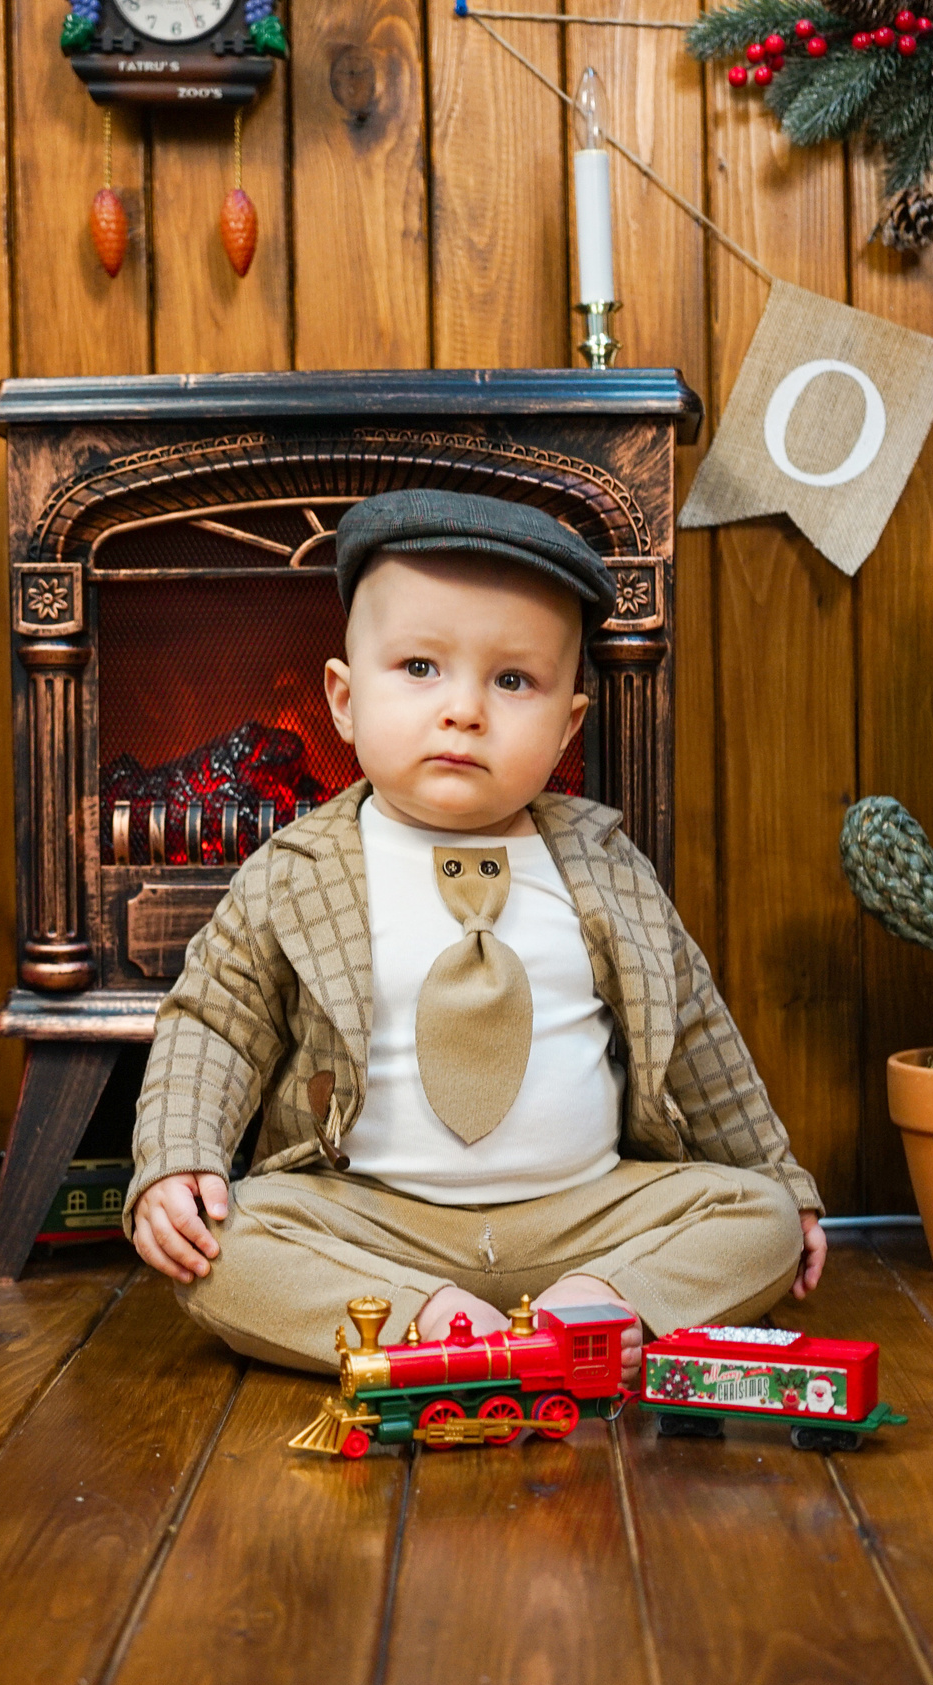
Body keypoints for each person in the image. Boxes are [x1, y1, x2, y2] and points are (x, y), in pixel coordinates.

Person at [123, 489, 822, 1380]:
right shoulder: (294, 871)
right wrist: (178, 1160)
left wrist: (784, 1185)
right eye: (419, 667)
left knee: (752, 1215)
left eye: (512, 680)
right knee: (225, 1243)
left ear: (569, 722)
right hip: (374, 1220)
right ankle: (429, 1323)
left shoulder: (608, 870)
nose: (463, 710)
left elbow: (696, 1038)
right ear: (343, 699)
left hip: (583, 1215)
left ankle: (596, 1310)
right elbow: (213, 1025)